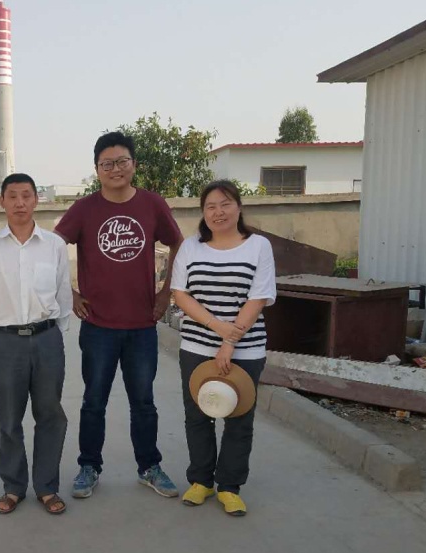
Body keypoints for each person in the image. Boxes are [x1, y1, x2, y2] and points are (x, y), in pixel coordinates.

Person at [54, 131, 184, 499]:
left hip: (142, 325)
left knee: (143, 402)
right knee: (94, 401)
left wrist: (166, 291)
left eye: (122, 161)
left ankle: (149, 467)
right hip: (98, 326)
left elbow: (177, 242)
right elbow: (53, 246)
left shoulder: (152, 204)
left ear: (134, 165)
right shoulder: (84, 209)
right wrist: (69, 292)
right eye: (107, 163)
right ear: (97, 169)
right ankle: (88, 467)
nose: (115, 169)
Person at [170, 179, 276, 516]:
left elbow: (258, 297)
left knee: (239, 417)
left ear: (239, 207)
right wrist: (218, 329)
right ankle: (201, 481)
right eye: (211, 206)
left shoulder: (258, 246)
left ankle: (229, 486)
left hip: (247, 350)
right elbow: (180, 294)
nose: (219, 212)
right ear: (203, 212)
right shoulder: (191, 248)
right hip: (197, 346)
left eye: (225, 204)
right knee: (198, 414)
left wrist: (230, 342)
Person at [0, 173, 73, 515]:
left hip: (47, 340)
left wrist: (54, 336)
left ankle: (47, 487)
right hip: (5, 343)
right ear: (1, 201)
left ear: (36, 200)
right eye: (12, 196)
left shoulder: (54, 245)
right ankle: (13, 486)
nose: (20, 203)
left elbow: (63, 295)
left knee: (50, 415)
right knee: (9, 419)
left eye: (26, 195)